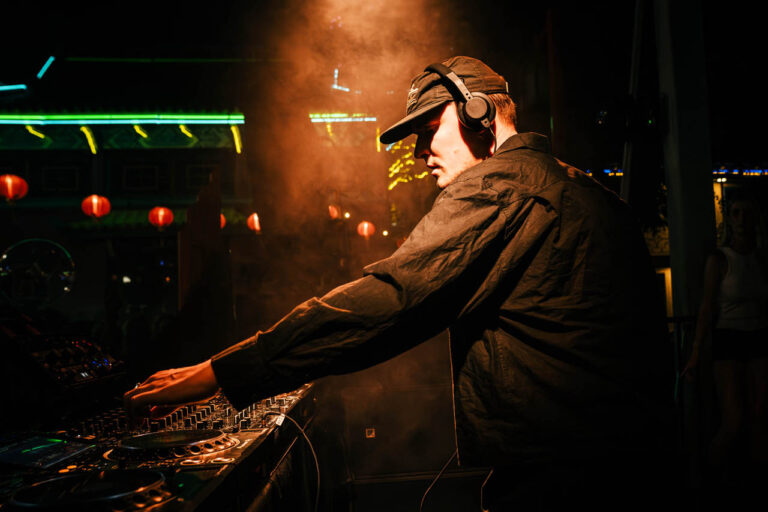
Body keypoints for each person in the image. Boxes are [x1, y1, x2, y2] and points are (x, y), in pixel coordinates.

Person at [125, 56, 672, 509]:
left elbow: (391, 300)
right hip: (623, 462)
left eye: (429, 130)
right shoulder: (583, 190)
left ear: (478, 112)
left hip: (567, 477)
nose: (418, 153)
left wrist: (220, 373)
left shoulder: (500, 186)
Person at [683, 193, 768, 487]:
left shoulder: (761, 258)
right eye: (736, 213)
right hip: (729, 337)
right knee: (734, 419)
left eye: (747, 213)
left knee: (760, 415)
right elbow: (707, 307)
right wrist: (696, 352)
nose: (742, 219)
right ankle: (708, 480)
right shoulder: (719, 259)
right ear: (729, 219)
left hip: (759, 335)